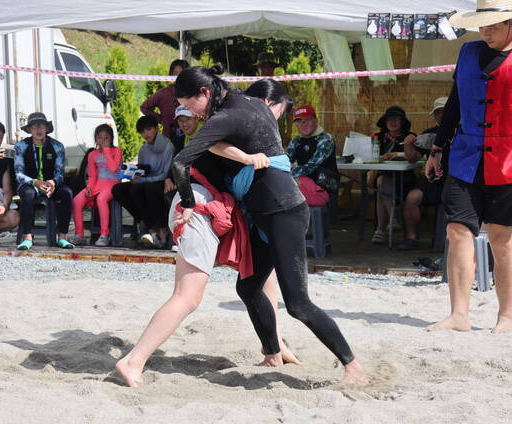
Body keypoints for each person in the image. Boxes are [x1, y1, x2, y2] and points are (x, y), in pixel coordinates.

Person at [170, 65, 367, 383]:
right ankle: (273, 353)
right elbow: (214, 143)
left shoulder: (226, 116)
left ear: (205, 93)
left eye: (191, 106)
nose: (192, 114)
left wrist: (189, 205)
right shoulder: (247, 103)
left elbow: (179, 162)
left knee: (298, 304)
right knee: (247, 286)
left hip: (283, 211)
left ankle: (353, 367)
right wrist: (245, 158)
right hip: (267, 210)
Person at [116, 79, 299, 387]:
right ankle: (132, 361)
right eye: (280, 110)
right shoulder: (241, 122)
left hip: (210, 202)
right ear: (270, 105)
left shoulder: (239, 122)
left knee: (261, 274)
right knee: (187, 296)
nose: (277, 119)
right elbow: (184, 162)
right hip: (199, 202)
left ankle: (274, 345)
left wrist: (274, 343)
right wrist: (188, 202)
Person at [426, 0, 512, 334]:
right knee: (457, 230)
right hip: (464, 156)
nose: (485, 31)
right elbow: (455, 104)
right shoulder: (467, 52)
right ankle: (459, 314)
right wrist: (437, 149)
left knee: (502, 238)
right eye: (482, 24)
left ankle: (506, 316)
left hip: (508, 158)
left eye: (492, 24)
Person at [14, 112, 74, 250]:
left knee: (67, 193)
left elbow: (60, 172)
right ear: (29, 130)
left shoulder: (57, 146)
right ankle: (27, 237)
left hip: (51, 184)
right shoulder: (20, 146)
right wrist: (35, 182)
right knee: (27, 194)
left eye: (42, 126)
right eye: (34, 127)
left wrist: (53, 182)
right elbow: (18, 174)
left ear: (47, 128)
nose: (39, 130)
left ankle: (63, 236)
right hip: (30, 184)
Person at [112, 115, 174, 248]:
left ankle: (161, 230)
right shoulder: (143, 149)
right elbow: (140, 171)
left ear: (156, 128)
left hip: (162, 182)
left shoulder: (168, 147)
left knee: (147, 189)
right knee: (118, 189)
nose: (146, 134)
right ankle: (146, 225)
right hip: (145, 182)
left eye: (148, 129)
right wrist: (133, 175)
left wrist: (143, 181)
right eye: (142, 131)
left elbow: (165, 174)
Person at [397, 97, 448, 251]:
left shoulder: (464, 132)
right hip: (434, 182)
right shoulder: (429, 134)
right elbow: (413, 158)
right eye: (438, 112)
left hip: (457, 182)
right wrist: (408, 143)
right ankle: (411, 238)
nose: (442, 115)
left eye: (445, 111)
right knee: (412, 197)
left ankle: (448, 242)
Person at [371, 105, 417, 244]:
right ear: (384, 122)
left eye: (396, 119)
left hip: (404, 180)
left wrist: (397, 154)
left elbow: (417, 156)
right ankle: (393, 218)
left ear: (402, 122)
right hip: (382, 177)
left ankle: (380, 230)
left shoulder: (410, 137)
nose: (393, 122)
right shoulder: (377, 138)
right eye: (389, 119)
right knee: (382, 182)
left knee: (381, 185)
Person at [71, 124, 122, 247]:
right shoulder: (92, 154)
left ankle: (104, 234)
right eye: (99, 138)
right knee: (76, 201)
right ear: (95, 139)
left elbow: (114, 168)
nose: (103, 141)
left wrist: (107, 151)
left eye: (106, 138)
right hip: (98, 183)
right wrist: (89, 187)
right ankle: (79, 235)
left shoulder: (117, 151)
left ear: (111, 138)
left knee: (101, 199)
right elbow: (92, 175)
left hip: (113, 183)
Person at [287, 104, 339, 207]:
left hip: (323, 189)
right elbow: (286, 162)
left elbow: (311, 166)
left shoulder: (325, 139)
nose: (303, 124)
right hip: (303, 185)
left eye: (307, 120)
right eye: (299, 121)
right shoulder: (296, 141)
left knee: (290, 183)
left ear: (316, 121)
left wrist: (287, 176)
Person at [140, 59, 190, 138]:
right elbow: (144, 107)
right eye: (175, 73)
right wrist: (161, 119)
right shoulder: (163, 93)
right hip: (169, 138)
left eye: (182, 73)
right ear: (170, 75)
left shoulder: (193, 93)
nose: (178, 76)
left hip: (190, 139)